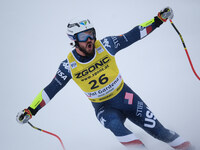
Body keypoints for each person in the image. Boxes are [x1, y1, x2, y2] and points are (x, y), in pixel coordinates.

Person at [16, 7, 193, 150]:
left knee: (160, 132)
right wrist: (31, 110)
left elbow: (133, 35)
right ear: (74, 40)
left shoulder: (106, 45)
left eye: (92, 33)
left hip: (126, 97)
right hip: (104, 107)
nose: (90, 40)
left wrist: (158, 20)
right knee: (116, 126)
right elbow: (50, 90)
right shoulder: (68, 65)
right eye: (84, 37)